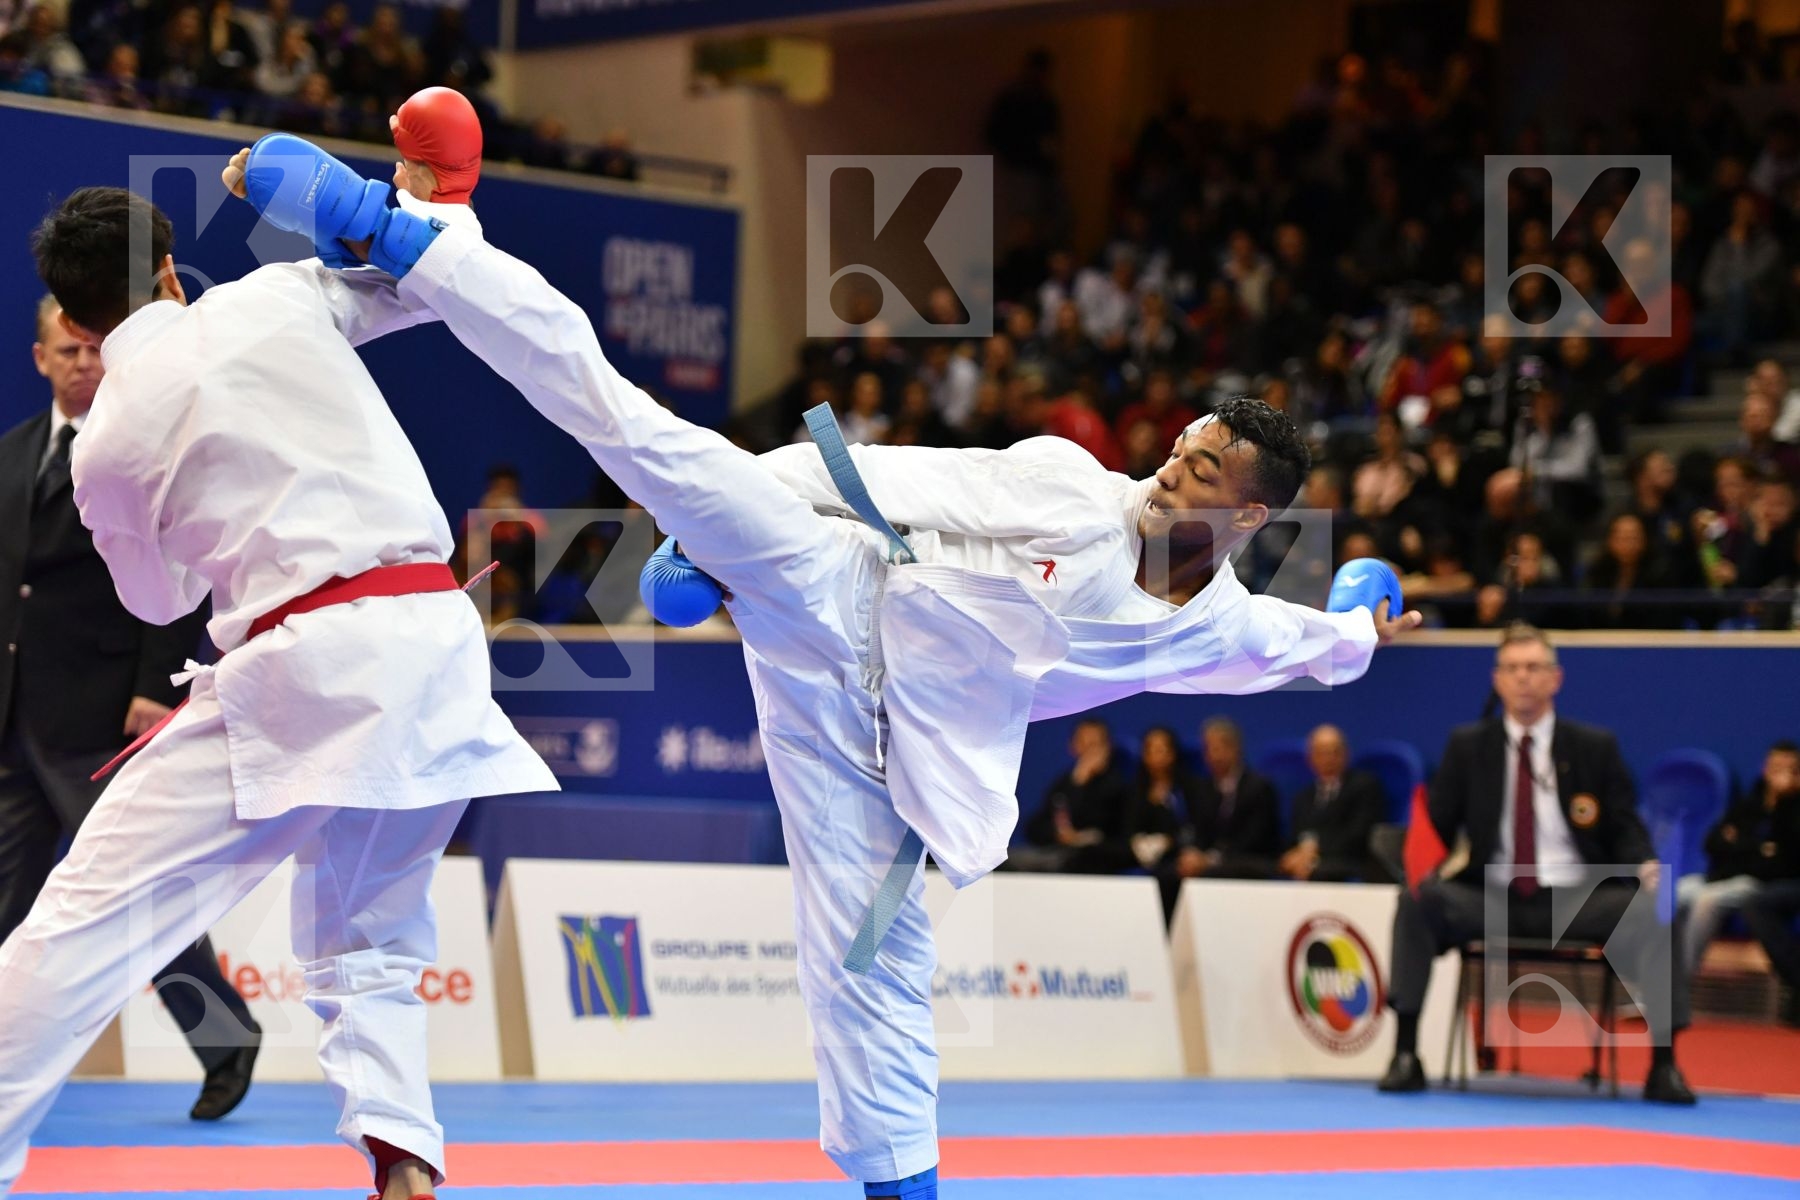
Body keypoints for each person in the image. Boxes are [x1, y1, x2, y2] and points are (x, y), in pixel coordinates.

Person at [230, 130, 1421, 1200]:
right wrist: (714, 536)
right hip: (838, 588)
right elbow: (879, 478)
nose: (1171, 470)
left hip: (893, 756)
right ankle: (396, 231)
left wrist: (1364, 617)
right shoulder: (1072, 488)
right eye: (1181, 447)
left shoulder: (1217, 625)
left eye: (1205, 472)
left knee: (867, 970)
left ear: (1250, 517)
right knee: (641, 434)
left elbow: (1307, 644)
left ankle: (900, 1189)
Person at [0, 182, 557, 1197]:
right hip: (437, 640)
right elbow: (431, 270)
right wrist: (424, 191)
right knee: (373, 931)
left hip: (308, 660)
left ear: (75, 318)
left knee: (81, 919)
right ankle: (403, 1158)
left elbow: (157, 595)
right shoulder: (281, 294)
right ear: (170, 270)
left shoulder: (108, 441)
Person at [0, 296, 261, 1123]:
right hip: (14, 724)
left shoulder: (137, 447)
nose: (83, 364)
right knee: (6, 905)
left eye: (92, 349)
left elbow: (183, 574)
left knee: (139, 899)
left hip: (108, 719)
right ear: (40, 360)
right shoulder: (10, 456)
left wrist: (157, 685)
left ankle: (226, 1039)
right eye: (66, 351)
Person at [1378, 624, 1694, 1104]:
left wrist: (1645, 864)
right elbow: (1438, 824)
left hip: (1577, 897)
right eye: (1512, 669)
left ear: (1555, 678)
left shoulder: (1594, 747)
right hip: (1491, 894)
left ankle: (1664, 1065)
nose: (1522, 678)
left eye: (1533, 667)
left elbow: (1624, 825)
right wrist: (1418, 863)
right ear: (1497, 680)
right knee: (1416, 902)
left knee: (1658, 909)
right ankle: (1405, 1054)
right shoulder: (1468, 746)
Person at [1676, 741, 1800, 979]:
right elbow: (1712, 843)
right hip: (1716, 877)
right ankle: (1646, 980)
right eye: (1776, 767)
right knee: (1669, 894)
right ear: (1765, 769)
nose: (1781, 775)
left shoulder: (1793, 813)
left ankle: (1677, 984)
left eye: (1790, 769)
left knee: (1707, 902)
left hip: (1754, 884)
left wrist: (1737, 844)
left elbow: (1781, 864)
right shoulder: (1749, 803)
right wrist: (1757, 848)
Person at [1017, 718, 1131, 873]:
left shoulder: (1119, 784)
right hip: (1059, 853)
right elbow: (1035, 826)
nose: (1089, 752)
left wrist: (1081, 784)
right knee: (1007, 860)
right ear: (1073, 746)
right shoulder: (1066, 782)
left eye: (1095, 744)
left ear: (1107, 747)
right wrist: (1058, 834)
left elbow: (1104, 825)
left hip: (1096, 858)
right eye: (1084, 744)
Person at [1180, 716, 1281, 881]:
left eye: (1219, 748)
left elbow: (1256, 838)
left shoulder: (1259, 787)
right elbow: (1197, 830)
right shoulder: (1202, 789)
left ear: (1236, 748)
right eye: (1209, 749)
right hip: (1210, 862)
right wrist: (1194, 853)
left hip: (1249, 860)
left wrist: (1213, 859)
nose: (1214, 756)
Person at [1279, 724, 1384, 882]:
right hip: (1310, 861)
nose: (1328, 759)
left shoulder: (1364, 787)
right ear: (1310, 758)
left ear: (1346, 754)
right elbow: (1298, 833)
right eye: (1321, 753)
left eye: (1335, 752)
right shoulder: (1304, 796)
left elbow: (1359, 835)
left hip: (1349, 861)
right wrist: (1299, 854)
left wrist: (1314, 852)